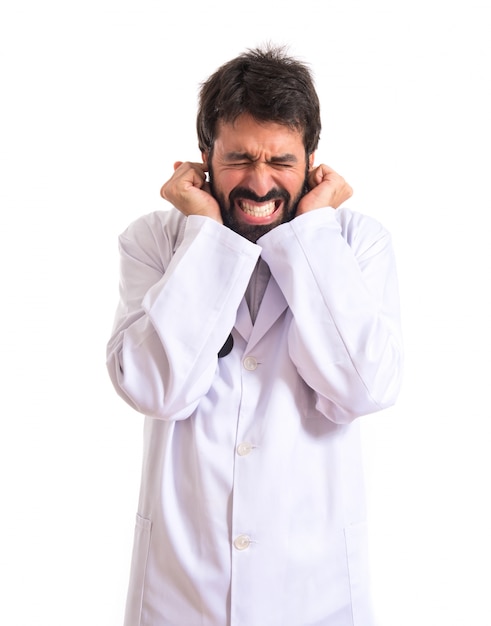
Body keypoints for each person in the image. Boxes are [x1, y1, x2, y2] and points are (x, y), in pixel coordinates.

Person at [106, 44, 403, 626]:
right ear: (204, 159)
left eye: (282, 161)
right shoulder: (154, 242)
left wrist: (313, 234)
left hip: (313, 592)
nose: (260, 182)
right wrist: (207, 239)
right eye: (239, 158)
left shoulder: (355, 244)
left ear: (313, 160)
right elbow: (155, 389)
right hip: (181, 590)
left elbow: (365, 387)